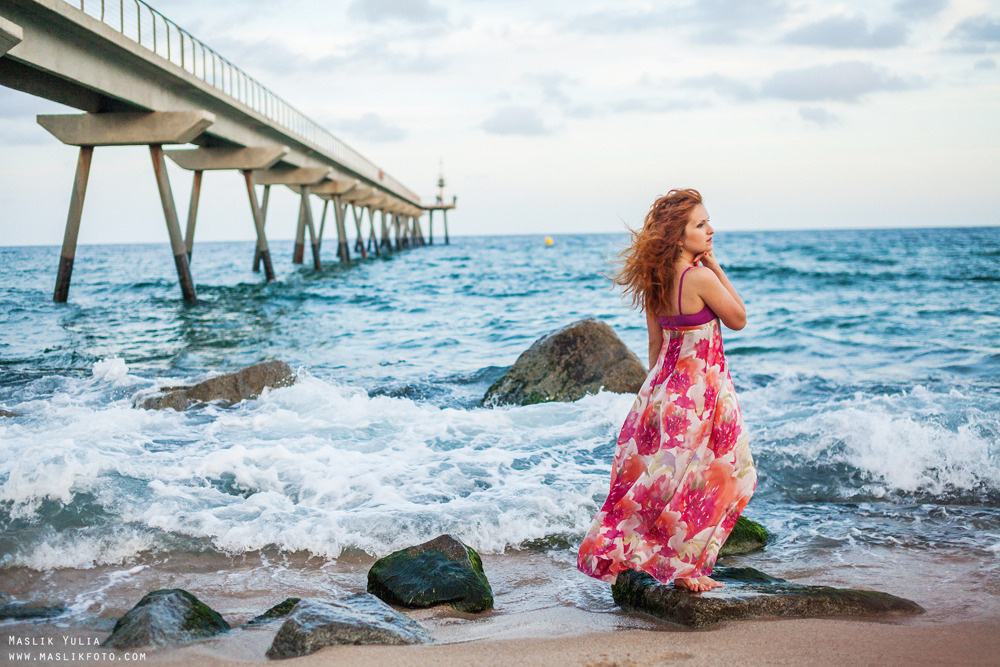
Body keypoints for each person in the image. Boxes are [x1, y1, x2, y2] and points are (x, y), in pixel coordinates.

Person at [577, 188, 757, 593]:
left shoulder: (656, 281)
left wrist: (652, 398)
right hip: (703, 393)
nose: (710, 230)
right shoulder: (700, 277)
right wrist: (716, 266)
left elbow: (655, 345)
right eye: (701, 224)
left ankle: (669, 562)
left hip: (665, 391)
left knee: (674, 480)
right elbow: (739, 318)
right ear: (679, 235)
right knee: (728, 475)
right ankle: (685, 569)